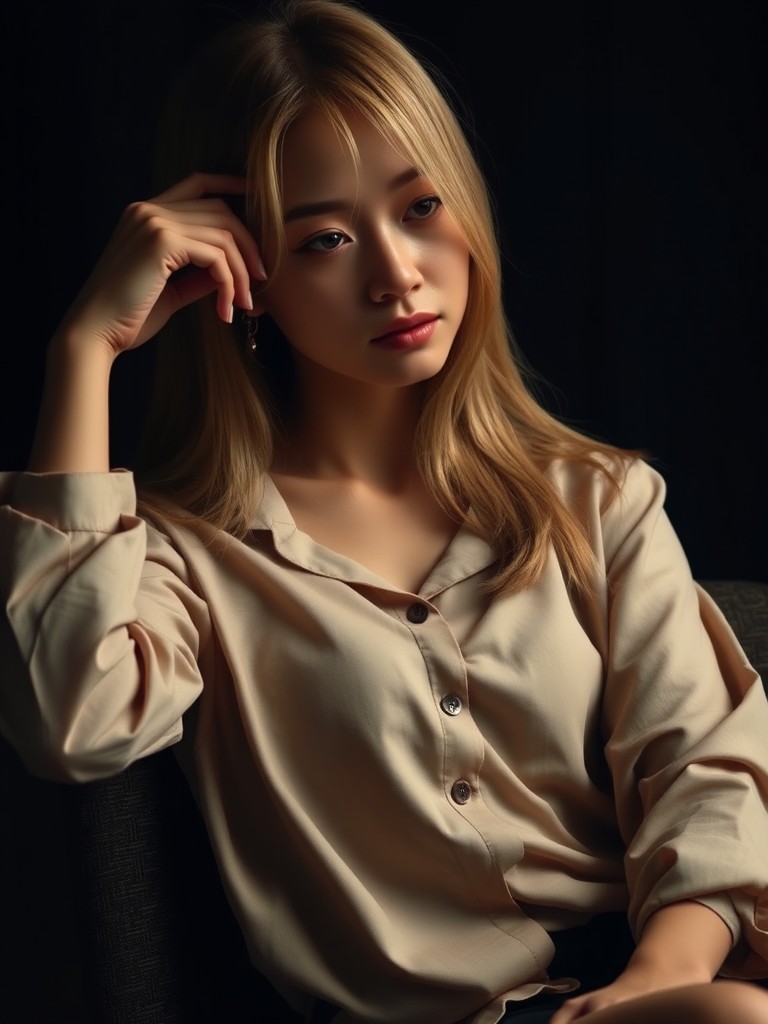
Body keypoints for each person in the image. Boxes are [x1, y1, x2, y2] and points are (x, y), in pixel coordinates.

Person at [2, 1, 768, 1021]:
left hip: (678, 973)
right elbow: (67, 720)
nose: (396, 272)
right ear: (243, 270)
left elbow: (703, 763)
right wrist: (84, 351)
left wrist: (666, 975)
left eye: (419, 208)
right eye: (322, 237)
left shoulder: (596, 498)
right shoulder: (186, 556)